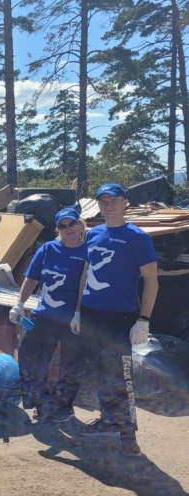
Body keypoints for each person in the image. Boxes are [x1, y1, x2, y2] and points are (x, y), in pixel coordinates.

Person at [71, 183, 158, 457]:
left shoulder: (137, 237)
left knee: (121, 375)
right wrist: (77, 310)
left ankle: (128, 435)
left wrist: (144, 319)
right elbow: (86, 273)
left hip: (120, 317)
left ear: (125, 203)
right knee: (99, 371)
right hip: (92, 314)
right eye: (103, 200)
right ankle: (108, 421)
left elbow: (152, 282)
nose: (108, 204)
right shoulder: (93, 234)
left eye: (113, 200)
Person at [10, 207, 87, 425]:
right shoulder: (48, 249)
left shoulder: (90, 252)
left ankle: (62, 408)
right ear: (58, 230)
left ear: (80, 225)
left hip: (74, 320)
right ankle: (41, 404)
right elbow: (31, 279)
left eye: (72, 223)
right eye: (62, 226)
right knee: (29, 356)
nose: (68, 229)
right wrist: (19, 304)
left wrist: (81, 314)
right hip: (44, 315)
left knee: (72, 364)